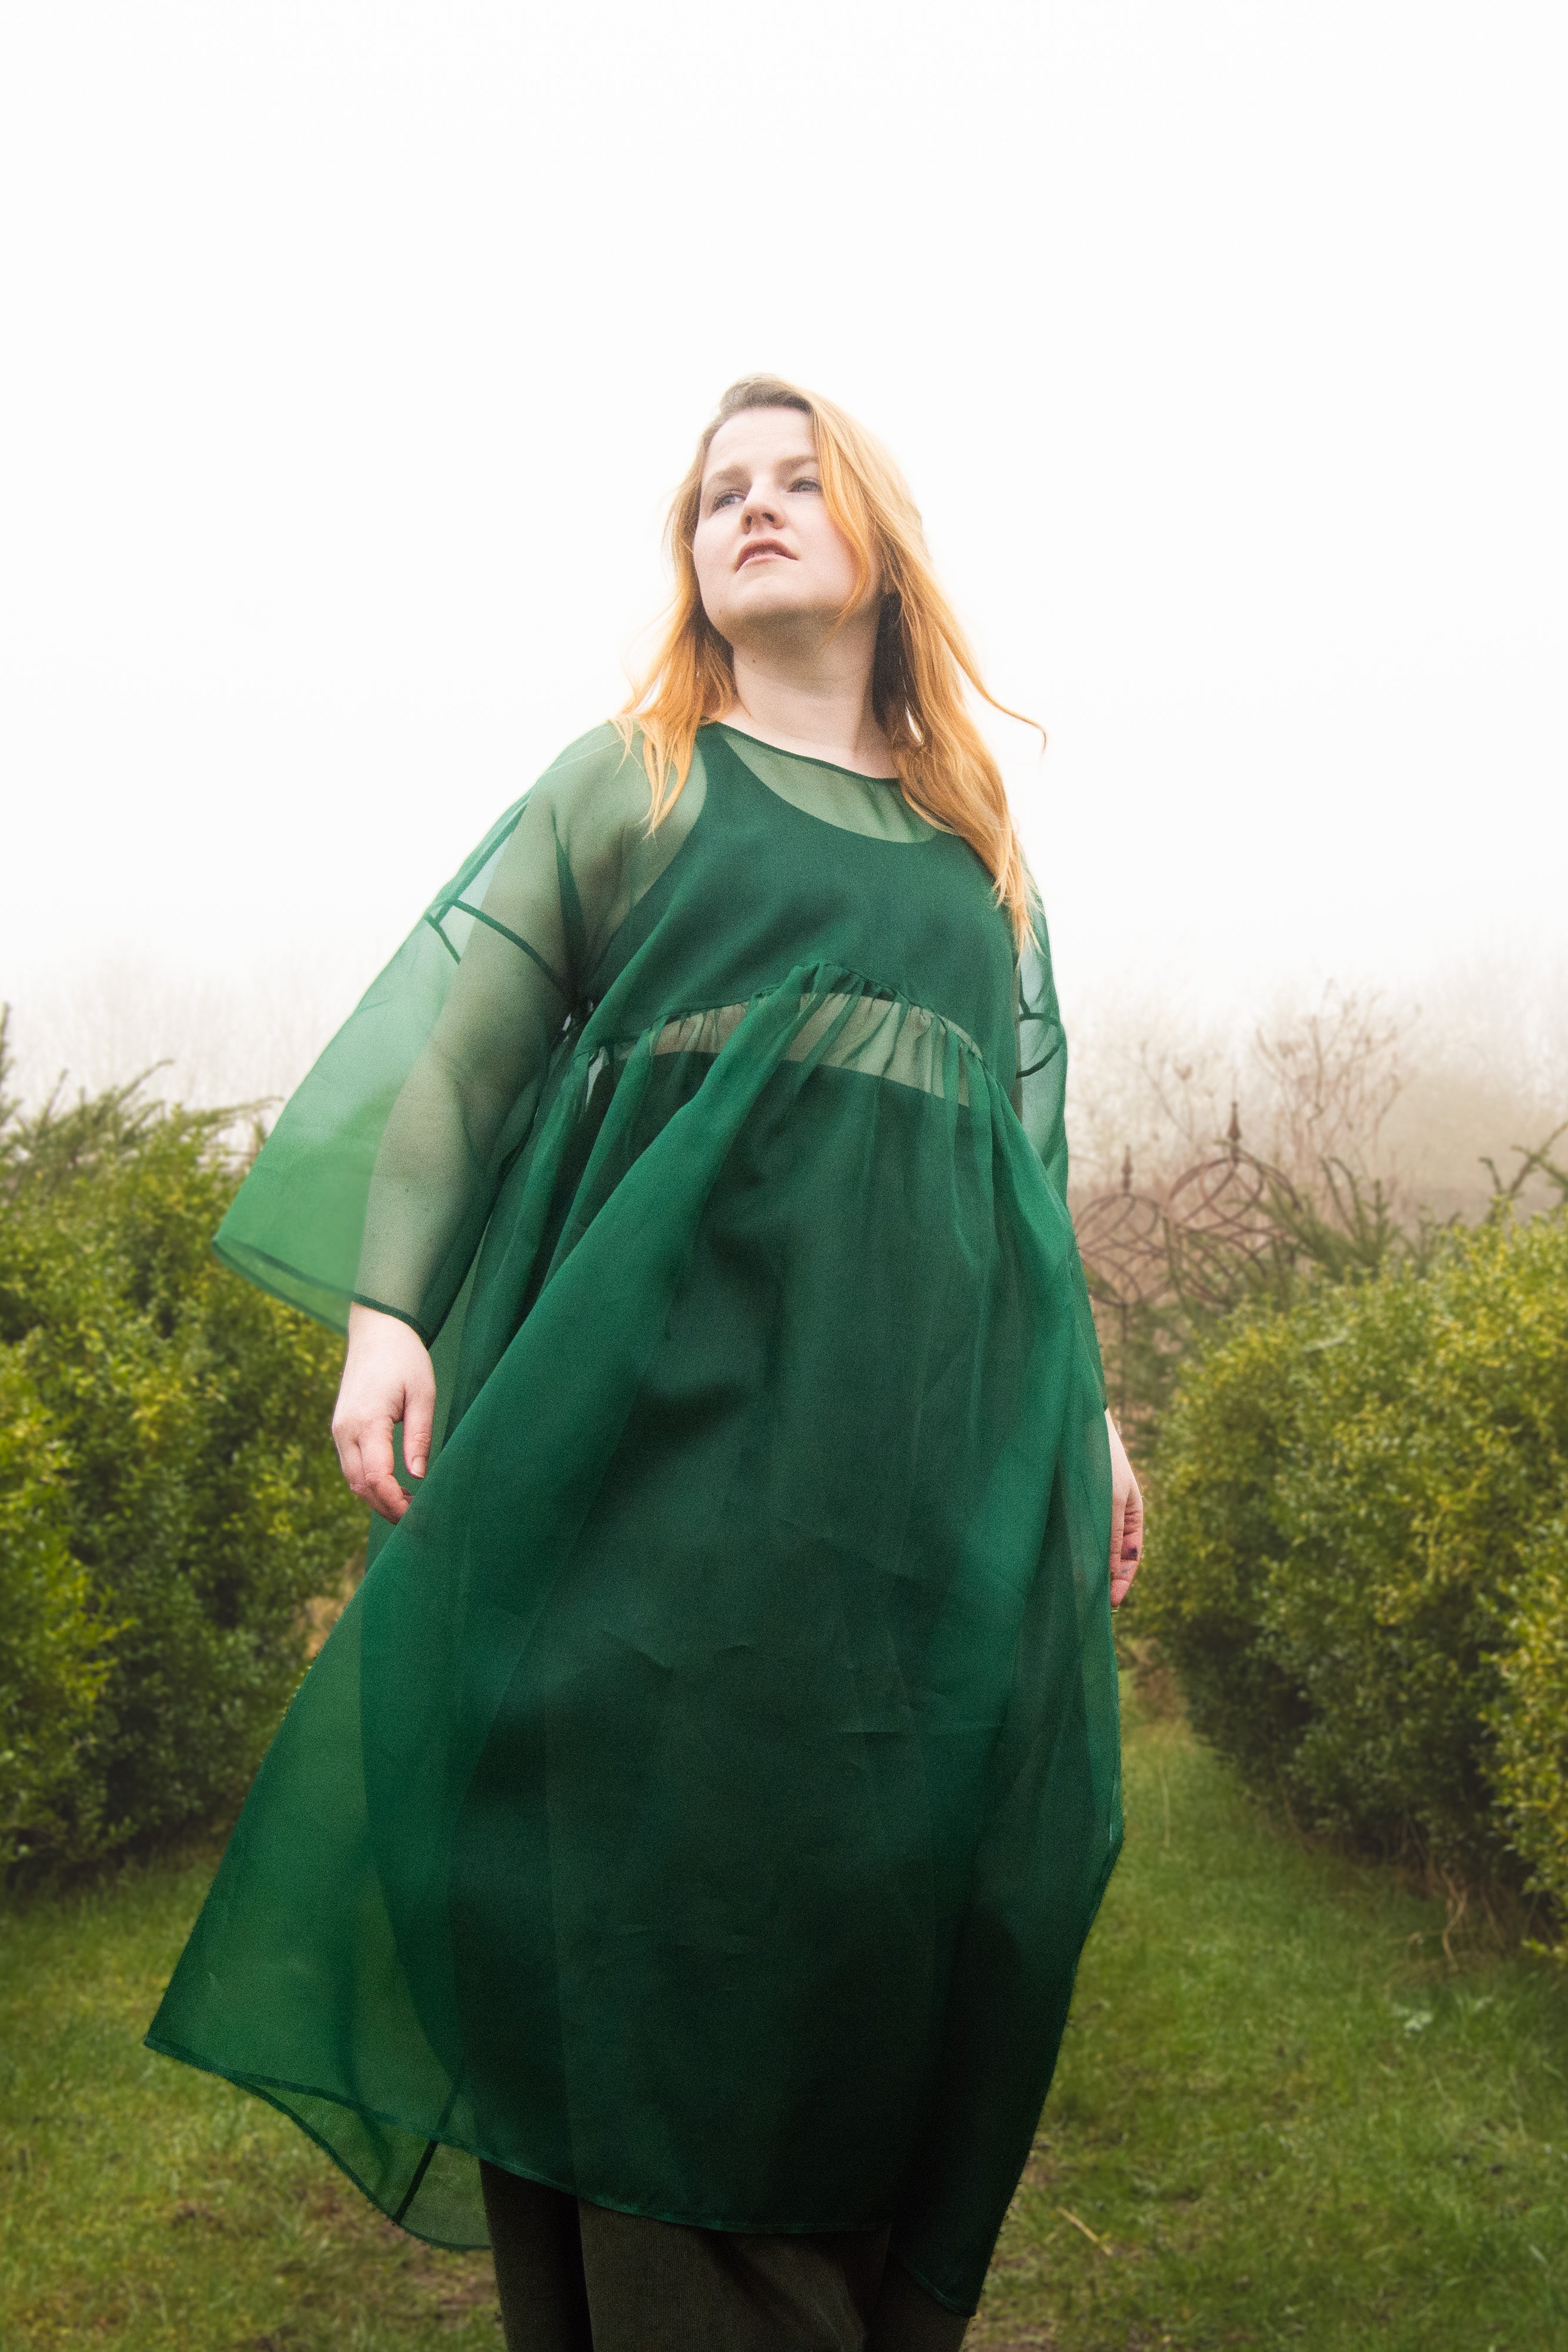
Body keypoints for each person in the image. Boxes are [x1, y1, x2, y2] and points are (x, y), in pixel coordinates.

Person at [146, 375, 1144, 2352]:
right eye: (716, 494)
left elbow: (1016, 1177)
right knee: (634, 1875)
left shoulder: (972, 847)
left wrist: (1088, 1412)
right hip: (646, 1462)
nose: (750, 510)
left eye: (795, 482)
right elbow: (459, 1069)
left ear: (878, 542)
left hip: (898, 1497)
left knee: (890, 1889)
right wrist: (386, 1312)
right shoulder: (635, 780)